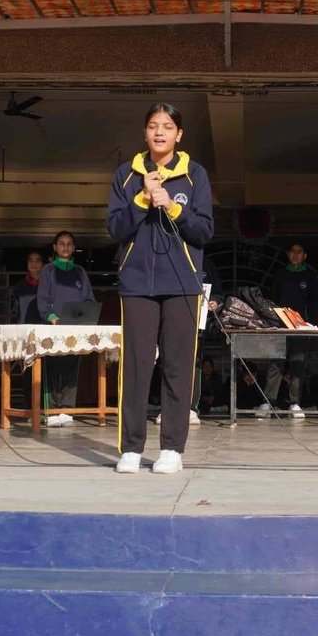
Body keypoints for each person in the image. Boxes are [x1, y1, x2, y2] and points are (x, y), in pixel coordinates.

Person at [107, 102, 213, 474]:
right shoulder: (126, 174)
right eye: (153, 125)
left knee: (177, 366)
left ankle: (172, 448)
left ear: (178, 135)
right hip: (137, 283)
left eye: (167, 126)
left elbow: (204, 231)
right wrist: (141, 199)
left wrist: (173, 207)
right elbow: (115, 228)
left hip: (182, 282)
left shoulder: (195, 175)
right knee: (135, 366)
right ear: (145, 131)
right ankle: (131, 448)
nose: (159, 132)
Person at [38, 231, 96, 428]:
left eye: (69, 244)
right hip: (53, 328)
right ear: (55, 247)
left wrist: (85, 317)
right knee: (52, 369)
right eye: (61, 243)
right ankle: (52, 410)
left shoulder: (80, 271)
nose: (65, 247)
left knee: (71, 369)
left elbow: (88, 299)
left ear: (73, 248)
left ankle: (67, 409)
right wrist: (52, 318)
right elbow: (43, 300)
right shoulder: (48, 270)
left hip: (74, 329)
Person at [262, 242, 318, 419]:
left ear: (305, 256)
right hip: (280, 326)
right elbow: (272, 301)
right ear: (288, 255)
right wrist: (271, 323)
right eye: (292, 252)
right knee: (276, 364)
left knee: (298, 365)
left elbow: (314, 304)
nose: (295, 255)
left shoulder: (311, 276)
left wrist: (312, 326)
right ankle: (268, 402)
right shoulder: (280, 274)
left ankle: (295, 403)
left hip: (301, 328)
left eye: (299, 252)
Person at [11, 250, 45, 325]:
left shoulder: (48, 285)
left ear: (43, 264)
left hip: (44, 327)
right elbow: (15, 310)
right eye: (31, 261)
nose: (33, 264)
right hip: (24, 327)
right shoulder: (20, 285)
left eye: (37, 261)